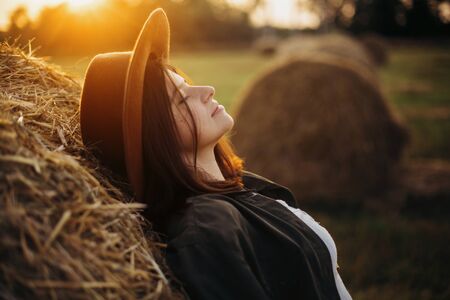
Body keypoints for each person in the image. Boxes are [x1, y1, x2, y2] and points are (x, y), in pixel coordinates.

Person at [80, 8, 353, 300]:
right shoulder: (207, 229)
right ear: (154, 134)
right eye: (182, 99)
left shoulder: (240, 187)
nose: (207, 90)